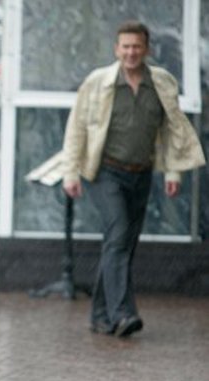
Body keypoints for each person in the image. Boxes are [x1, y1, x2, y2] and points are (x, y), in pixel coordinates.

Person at [61, 21, 205, 337]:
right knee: (119, 233)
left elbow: (171, 130)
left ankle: (100, 315)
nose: (130, 52)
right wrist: (70, 172)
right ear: (117, 49)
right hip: (105, 173)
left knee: (122, 243)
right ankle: (124, 313)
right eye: (125, 46)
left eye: (136, 46)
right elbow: (77, 128)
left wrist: (173, 170)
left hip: (141, 173)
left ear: (147, 49)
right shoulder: (99, 82)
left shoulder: (162, 83)